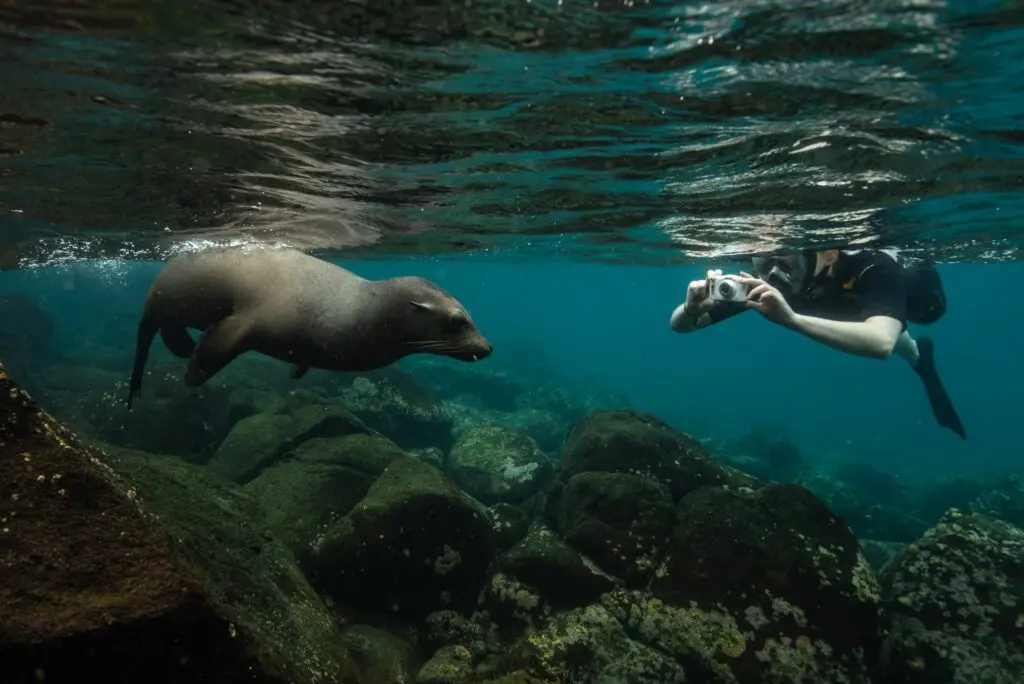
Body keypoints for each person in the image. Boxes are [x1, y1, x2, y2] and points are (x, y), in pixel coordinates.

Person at [669, 247, 966, 439]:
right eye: (763, 257)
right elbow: (682, 327)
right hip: (830, 300)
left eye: (782, 255)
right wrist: (692, 309)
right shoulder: (771, 278)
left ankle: (915, 353)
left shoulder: (872, 263)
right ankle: (918, 357)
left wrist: (791, 320)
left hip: (900, 295)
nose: (772, 270)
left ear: (829, 254)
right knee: (856, 317)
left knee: (923, 311)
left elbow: (880, 343)